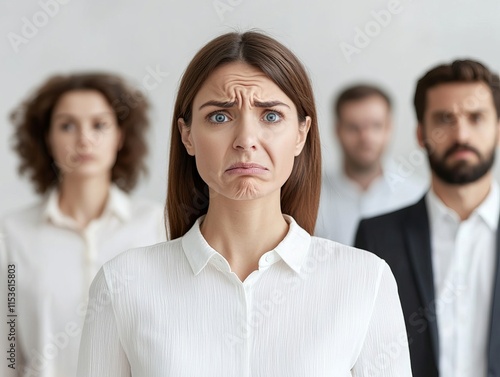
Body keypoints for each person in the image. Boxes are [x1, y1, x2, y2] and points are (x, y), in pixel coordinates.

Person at [76, 31, 411, 377]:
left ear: (301, 133)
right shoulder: (122, 284)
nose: (246, 140)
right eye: (220, 116)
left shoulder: (365, 281)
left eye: (270, 116)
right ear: (187, 135)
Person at [0, 73, 166, 377]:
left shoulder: (157, 226)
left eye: (99, 125)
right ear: (47, 138)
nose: (84, 139)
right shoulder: (12, 235)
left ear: (119, 136)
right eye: (67, 125)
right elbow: (7, 351)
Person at [355, 59, 500, 377]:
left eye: (476, 117)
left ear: (498, 128)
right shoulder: (376, 237)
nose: (461, 133)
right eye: (444, 119)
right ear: (421, 134)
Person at [316, 84, 426, 245]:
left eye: (376, 126)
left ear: (389, 128)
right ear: (337, 130)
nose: (365, 137)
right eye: (354, 127)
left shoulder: (418, 196)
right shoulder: (312, 197)